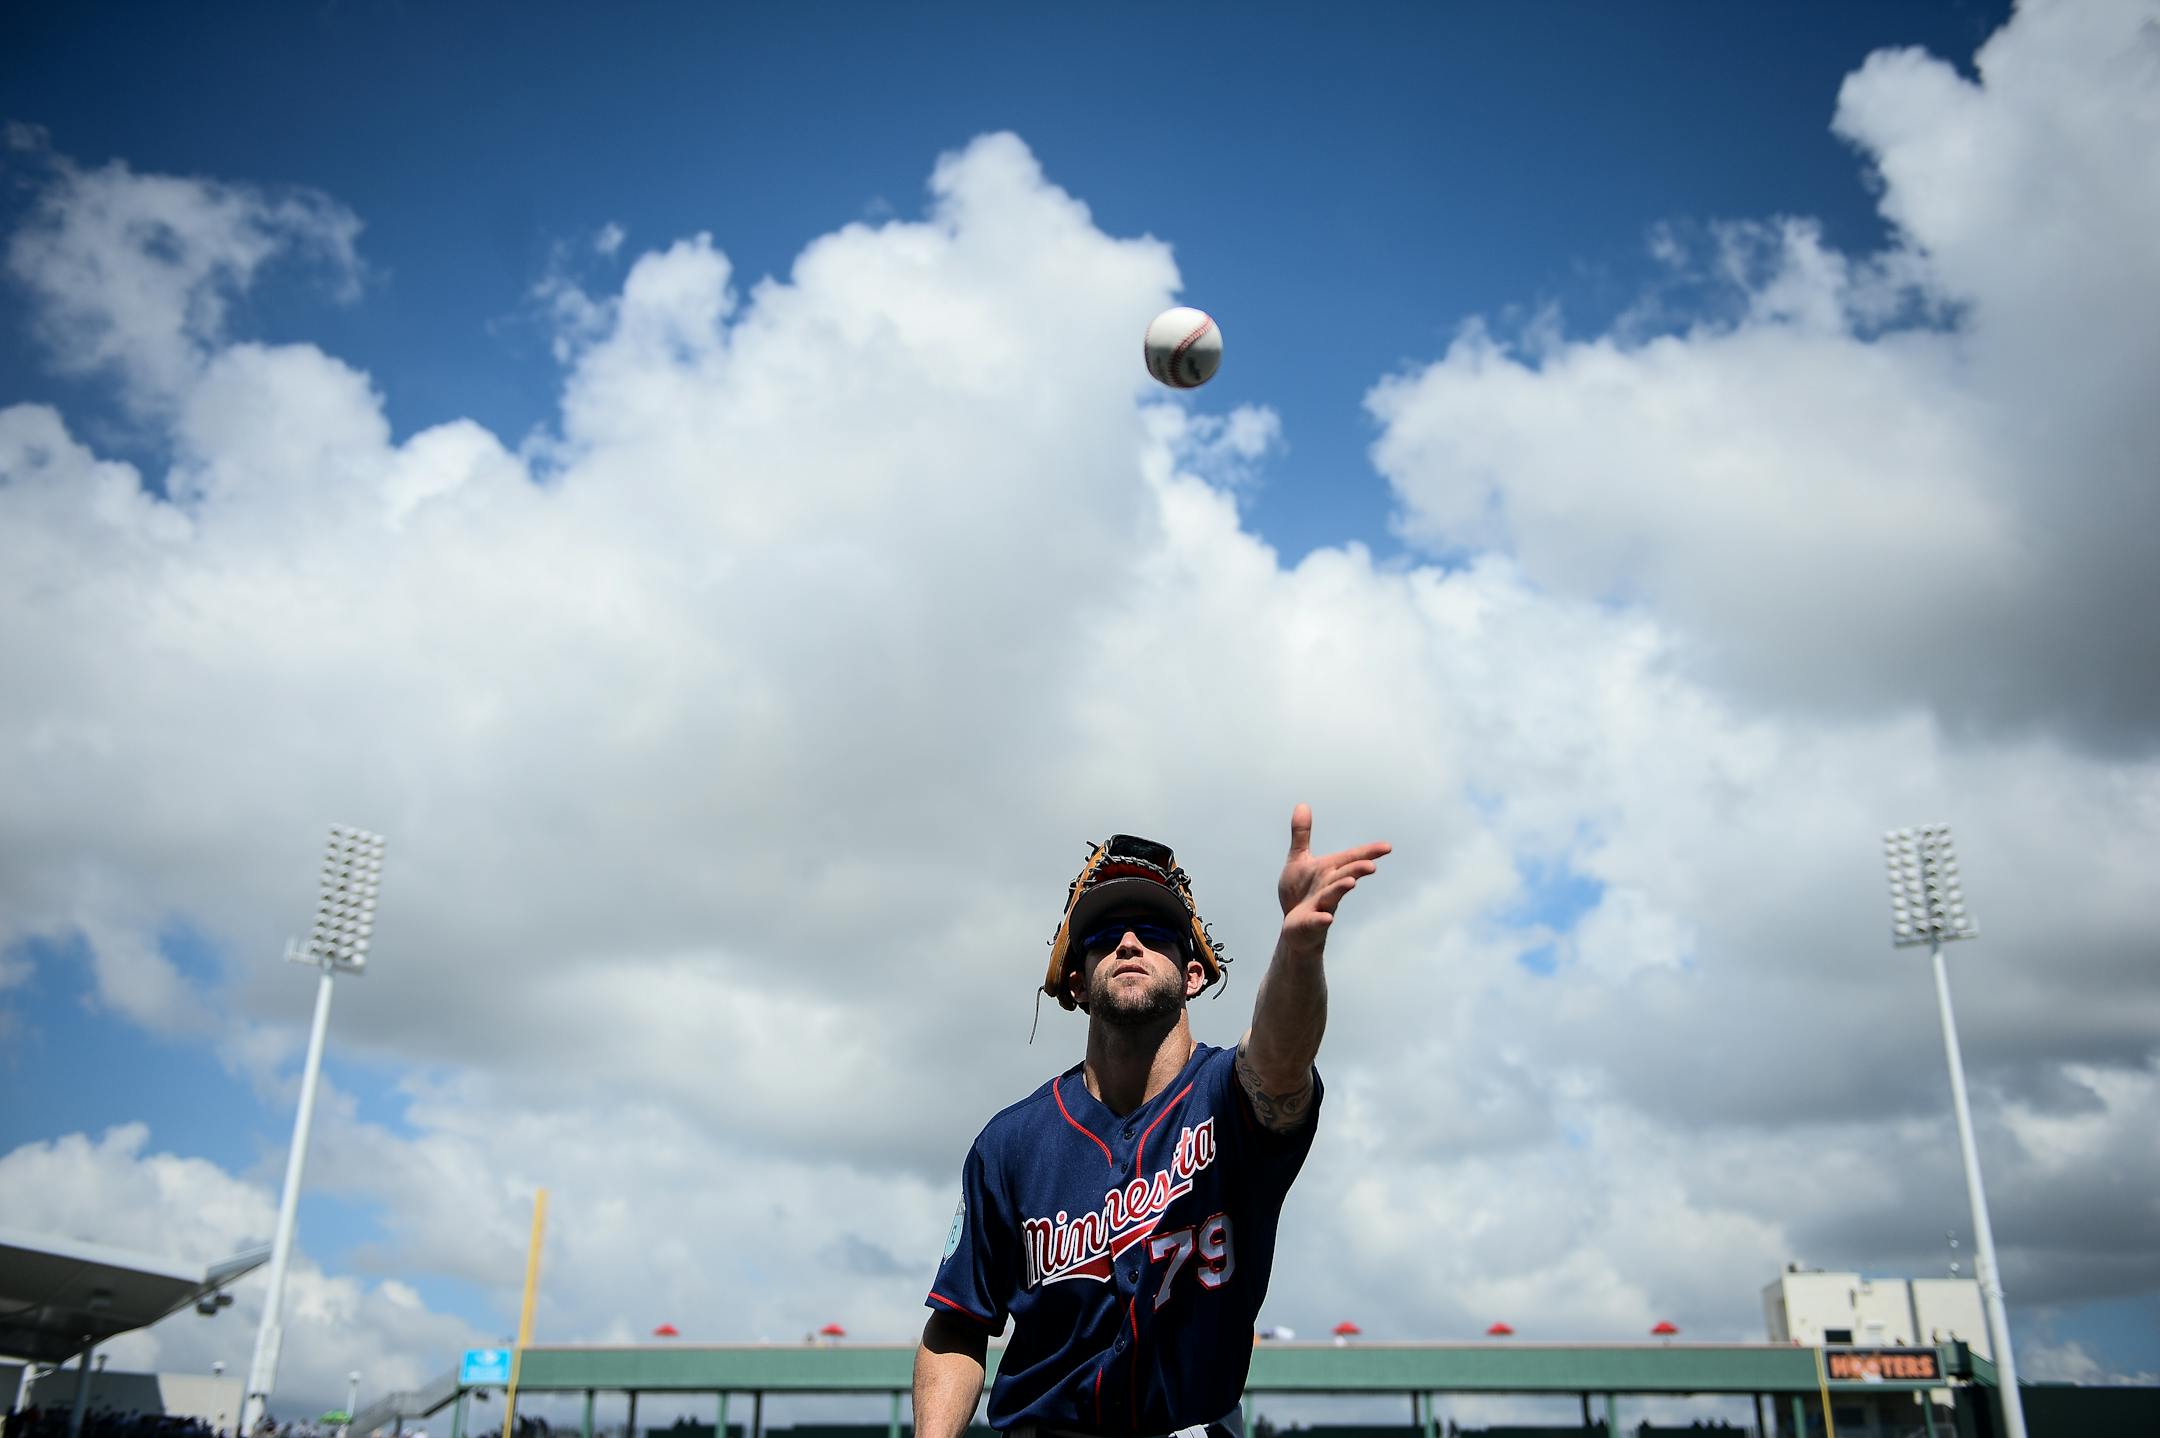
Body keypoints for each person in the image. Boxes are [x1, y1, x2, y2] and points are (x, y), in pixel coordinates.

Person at [914, 805, 1390, 1438]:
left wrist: (1299, 947)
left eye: (1157, 931)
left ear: (1194, 974)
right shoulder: (1011, 1143)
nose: (1129, 943)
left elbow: (1280, 1061)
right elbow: (958, 1321)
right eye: (1103, 934)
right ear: (1077, 983)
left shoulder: (1228, 1098)